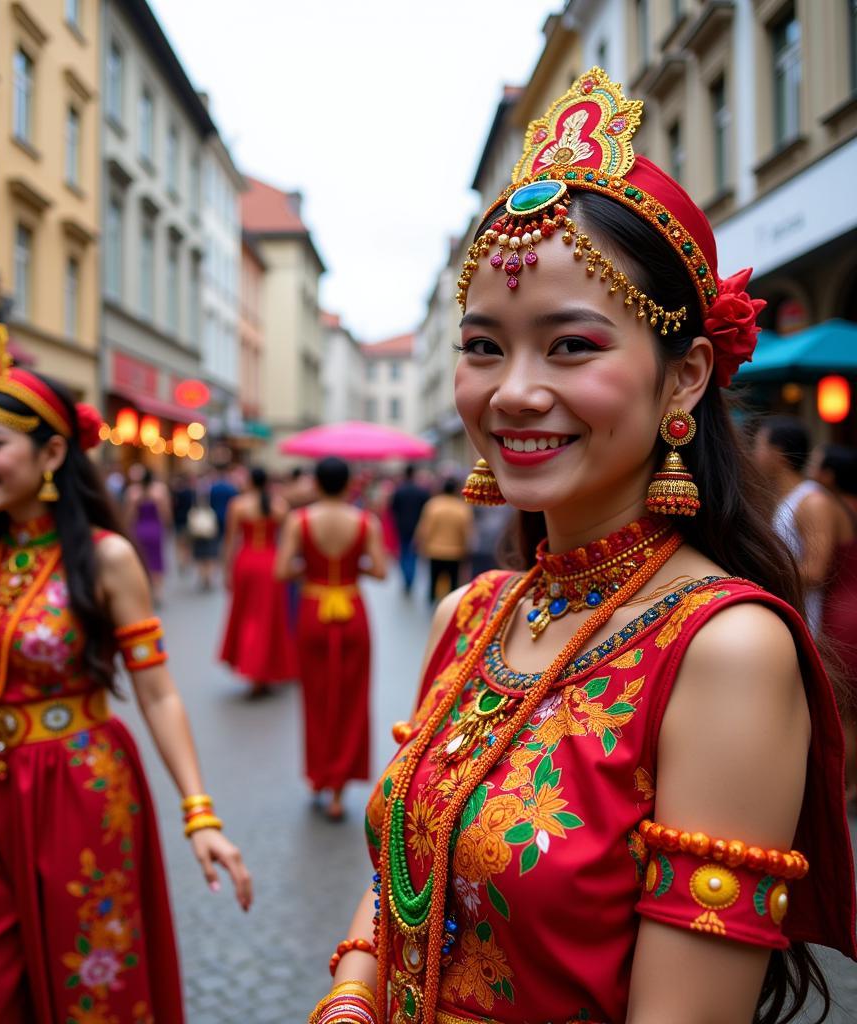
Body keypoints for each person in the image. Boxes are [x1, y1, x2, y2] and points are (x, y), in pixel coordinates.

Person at [310, 69, 855, 1024]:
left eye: (570, 346)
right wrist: (352, 999)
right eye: (483, 346)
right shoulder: (468, 615)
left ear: (683, 378)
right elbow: (402, 861)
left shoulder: (723, 652)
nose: (512, 391)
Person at [0, 315, 251, 1023]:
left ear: (53, 451)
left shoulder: (108, 559)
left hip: (83, 790)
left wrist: (199, 814)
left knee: (93, 986)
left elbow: (155, 690)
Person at [276, 456, 387, 821]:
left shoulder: (299, 520)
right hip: (352, 608)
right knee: (352, 699)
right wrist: (354, 565)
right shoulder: (365, 521)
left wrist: (311, 565)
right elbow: (381, 570)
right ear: (349, 484)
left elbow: (282, 570)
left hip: (313, 607)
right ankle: (339, 790)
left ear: (317, 483)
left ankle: (319, 777)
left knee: (317, 697)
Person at [752, 417, 848, 635]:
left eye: (759, 446)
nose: (754, 454)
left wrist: (760, 572)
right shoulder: (788, 498)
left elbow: (815, 570)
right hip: (792, 612)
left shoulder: (812, 501)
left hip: (811, 620)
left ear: (778, 454)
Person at [219, 466, 296, 693]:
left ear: (250, 481)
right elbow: (288, 540)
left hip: (247, 562)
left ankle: (253, 670)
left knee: (249, 617)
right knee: (270, 618)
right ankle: (265, 669)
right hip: (272, 562)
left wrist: (226, 570)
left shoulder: (239, 505)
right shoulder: (279, 506)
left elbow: (230, 541)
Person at [811, 444, 857, 803]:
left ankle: (840, 791)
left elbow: (817, 567)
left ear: (829, 473)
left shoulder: (828, 506)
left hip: (841, 609)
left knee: (843, 708)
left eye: (815, 461)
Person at [415, 477, 473, 604]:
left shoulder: (433, 505)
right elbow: (466, 532)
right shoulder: (462, 508)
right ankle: (449, 607)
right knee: (453, 584)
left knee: (433, 580)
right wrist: (467, 549)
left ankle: (432, 604)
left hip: (435, 550)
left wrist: (420, 543)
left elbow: (425, 528)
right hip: (455, 552)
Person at [124, 463, 172, 602]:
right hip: (155, 528)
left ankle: (146, 589)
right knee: (156, 559)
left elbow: (129, 515)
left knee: (141, 560)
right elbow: (166, 513)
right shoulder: (160, 491)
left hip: (139, 529)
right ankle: (158, 591)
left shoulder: (133, 492)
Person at [390, 465, 430, 596]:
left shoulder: (399, 491)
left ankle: (407, 578)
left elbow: (393, 509)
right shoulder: (421, 492)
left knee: (404, 552)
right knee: (413, 554)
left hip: (402, 527)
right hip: (417, 527)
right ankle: (410, 578)